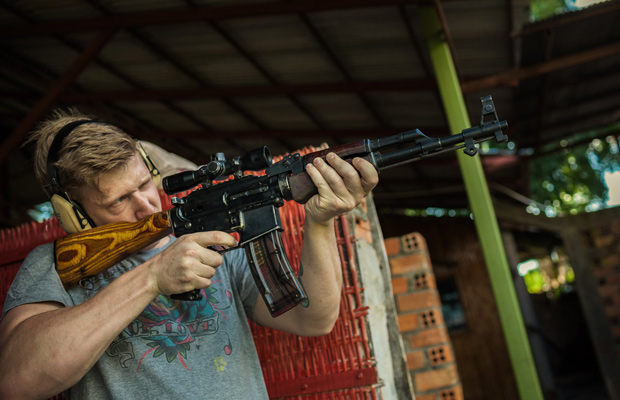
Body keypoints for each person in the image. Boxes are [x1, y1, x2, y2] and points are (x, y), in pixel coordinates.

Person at [0, 109, 379, 399]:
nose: (147, 206)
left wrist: (320, 222)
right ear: (75, 215)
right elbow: (17, 379)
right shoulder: (52, 265)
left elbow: (312, 320)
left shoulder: (208, 232)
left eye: (145, 184)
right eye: (118, 201)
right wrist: (151, 278)